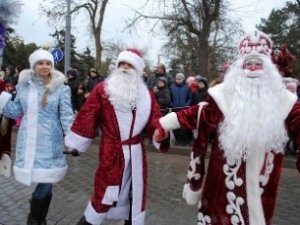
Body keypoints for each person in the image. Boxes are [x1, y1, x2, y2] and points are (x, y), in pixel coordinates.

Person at [153, 30, 300, 225]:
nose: (253, 69)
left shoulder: (285, 102)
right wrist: (164, 125)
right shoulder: (222, 96)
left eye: (259, 64)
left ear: (269, 70)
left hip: (261, 192)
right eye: (248, 64)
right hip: (220, 188)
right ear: (240, 68)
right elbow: (197, 114)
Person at [65, 48, 168, 225]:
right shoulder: (102, 90)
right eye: (122, 64)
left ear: (137, 70)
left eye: (130, 65)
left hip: (136, 154)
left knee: (134, 196)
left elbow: (154, 119)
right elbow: (88, 114)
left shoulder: (147, 96)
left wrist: (159, 132)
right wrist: (77, 142)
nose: (125, 68)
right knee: (103, 195)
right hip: (111, 152)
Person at [0, 49, 74, 224]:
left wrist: (71, 139)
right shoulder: (23, 86)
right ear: (33, 65)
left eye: (48, 63)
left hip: (51, 140)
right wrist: (3, 100)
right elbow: (15, 111)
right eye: (40, 63)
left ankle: (34, 219)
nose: (45, 66)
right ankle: (40, 219)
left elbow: (66, 115)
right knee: (44, 182)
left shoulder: (61, 88)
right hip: (28, 140)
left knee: (47, 181)